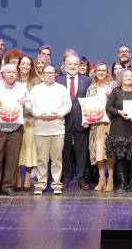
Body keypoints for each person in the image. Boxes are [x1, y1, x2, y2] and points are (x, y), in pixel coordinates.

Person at [0, 64, 32, 198]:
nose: (11, 74)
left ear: (17, 74)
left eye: (13, 72)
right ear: (3, 74)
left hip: (16, 129)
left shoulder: (22, 88)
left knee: (13, 159)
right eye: (8, 72)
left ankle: (8, 186)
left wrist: (25, 105)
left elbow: (30, 107)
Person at [105, 69, 132, 196]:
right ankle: (123, 184)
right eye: (126, 75)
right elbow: (108, 107)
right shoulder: (116, 91)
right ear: (120, 78)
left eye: (131, 75)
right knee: (120, 157)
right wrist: (119, 112)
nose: (128, 77)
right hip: (119, 127)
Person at [30, 64, 71, 195]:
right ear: (42, 74)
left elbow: (68, 105)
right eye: (47, 73)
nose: (49, 75)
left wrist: (58, 114)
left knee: (57, 159)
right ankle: (41, 183)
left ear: (55, 74)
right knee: (42, 159)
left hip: (58, 129)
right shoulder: (36, 89)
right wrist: (39, 114)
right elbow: (30, 107)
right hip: (41, 129)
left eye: (52, 73)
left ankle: (56, 183)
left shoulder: (62, 89)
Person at [59, 54, 92, 190]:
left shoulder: (88, 80)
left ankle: (81, 178)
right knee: (64, 151)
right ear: (65, 65)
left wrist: (88, 119)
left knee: (81, 152)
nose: (72, 66)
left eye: (75, 64)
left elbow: (90, 101)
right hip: (63, 121)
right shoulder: (59, 80)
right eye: (70, 64)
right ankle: (65, 178)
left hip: (81, 121)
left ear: (80, 66)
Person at [87, 62, 116, 192]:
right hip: (96, 124)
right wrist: (86, 120)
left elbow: (119, 103)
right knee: (98, 151)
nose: (101, 72)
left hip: (110, 123)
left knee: (108, 151)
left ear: (107, 72)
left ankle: (110, 178)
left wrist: (112, 98)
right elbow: (87, 107)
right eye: (99, 70)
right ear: (95, 72)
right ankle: (101, 179)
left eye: (104, 70)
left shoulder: (113, 86)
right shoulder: (91, 88)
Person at [14, 55, 40, 191]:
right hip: (14, 120)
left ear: (31, 67)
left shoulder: (36, 81)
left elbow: (39, 102)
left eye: (28, 64)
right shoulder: (13, 79)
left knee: (29, 149)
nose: (25, 66)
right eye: (22, 63)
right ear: (18, 65)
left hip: (30, 120)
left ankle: (27, 177)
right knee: (16, 150)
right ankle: (18, 176)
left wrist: (28, 103)